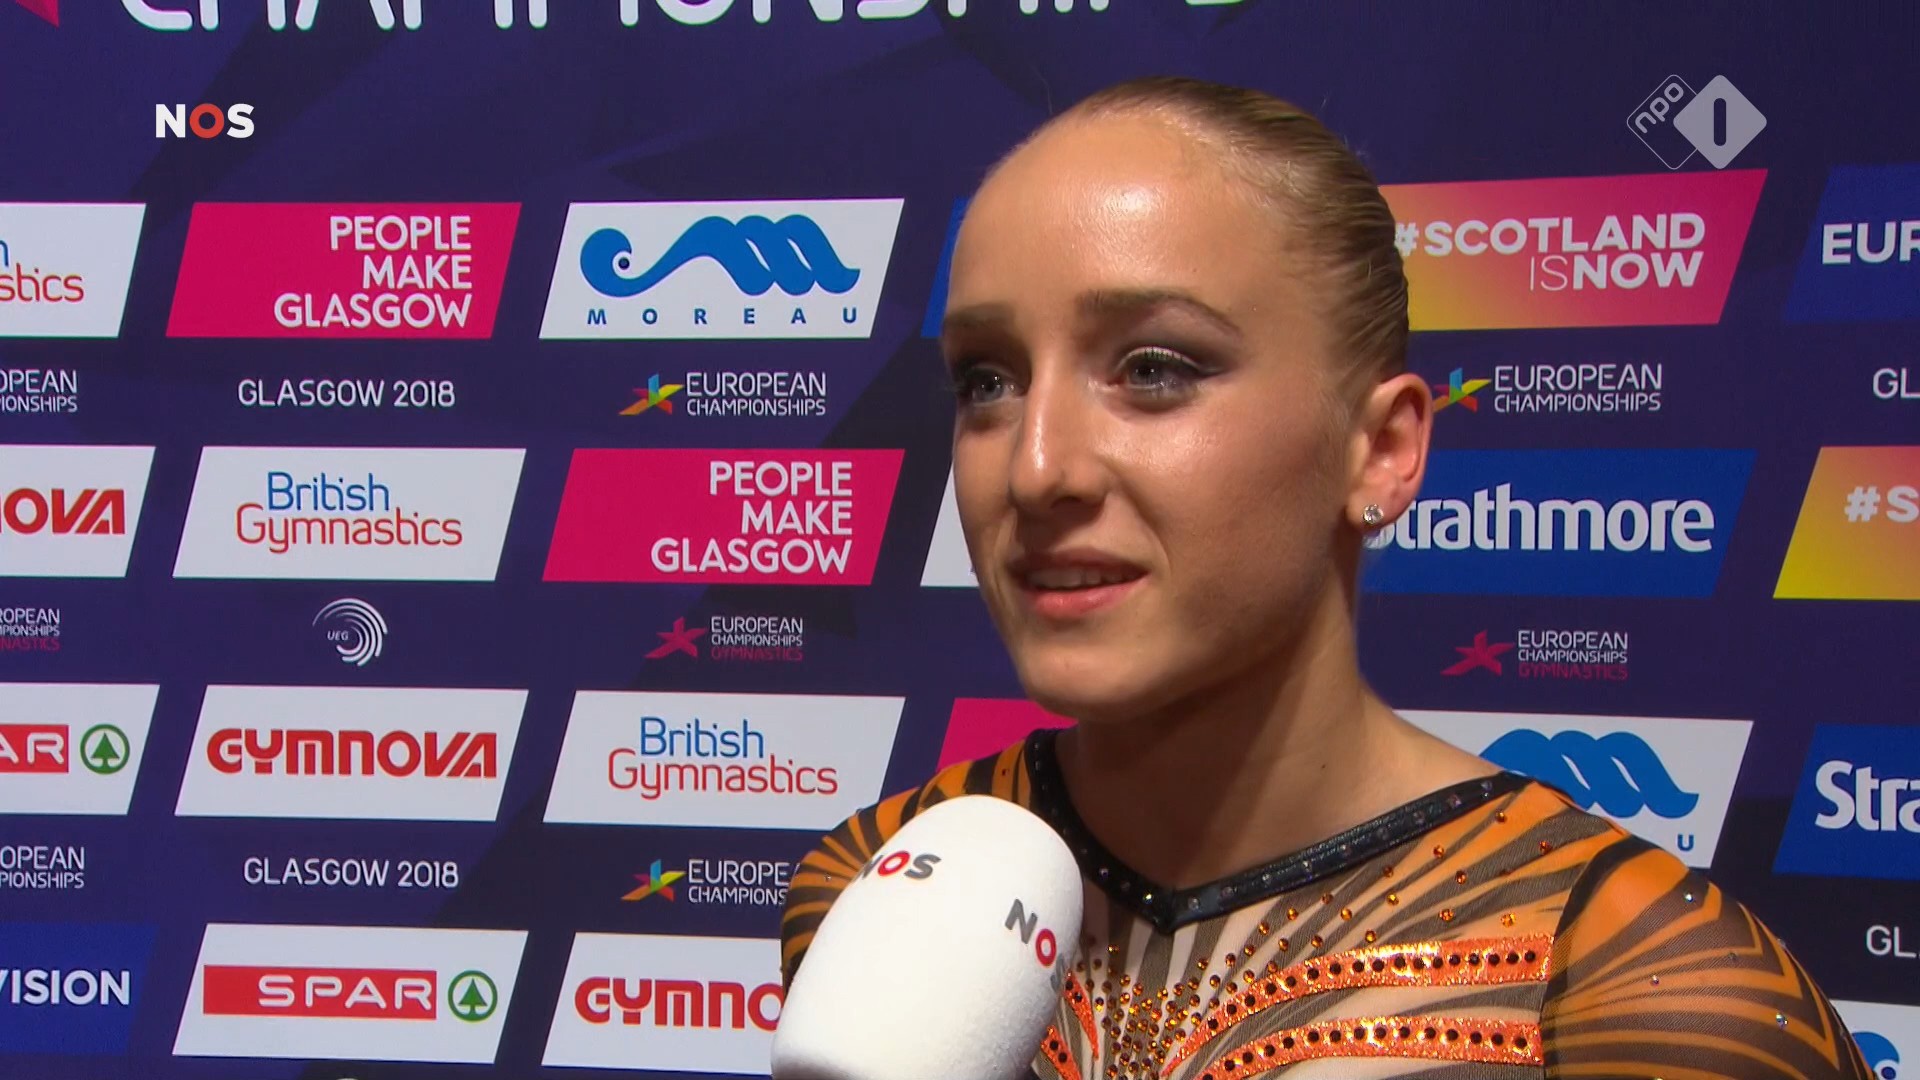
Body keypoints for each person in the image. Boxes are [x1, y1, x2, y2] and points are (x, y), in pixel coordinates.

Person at [779, 76, 1870, 1080]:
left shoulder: (1652, 994)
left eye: (1153, 369)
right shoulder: (878, 886)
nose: (1036, 467)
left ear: (1381, 449)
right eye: (987, 380)